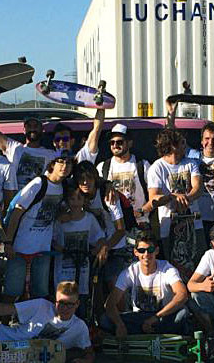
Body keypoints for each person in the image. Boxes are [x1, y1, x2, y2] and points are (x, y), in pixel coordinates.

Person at [2, 155, 72, 301]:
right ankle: (4, 322)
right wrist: (8, 242)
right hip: (19, 248)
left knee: (40, 294)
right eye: (60, 162)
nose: (64, 166)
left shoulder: (64, 187)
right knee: (12, 292)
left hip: (43, 249)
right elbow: (17, 212)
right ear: (52, 164)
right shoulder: (39, 183)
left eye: (68, 163)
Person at [101, 230, 191, 338]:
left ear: (157, 251)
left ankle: (140, 334)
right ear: (136, 252)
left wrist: (156, 317)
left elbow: (182, 295)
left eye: (150, 250)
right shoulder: (130, 272)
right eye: (142, 250)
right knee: (105, 320)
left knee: (183, 314)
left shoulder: (167, 268)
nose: (146, 254)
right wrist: (119, 325)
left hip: (162, 316)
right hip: (139, 317)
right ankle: (157, 334)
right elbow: (110, 304)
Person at [0, 106, 104, 190]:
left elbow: (96, 131)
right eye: (58, 140)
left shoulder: (79, 158)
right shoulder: (52, 157)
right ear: (53, 143)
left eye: (65, 139)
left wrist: (101, 105)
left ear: (72, 141)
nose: (61, 142)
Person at [146, 128, 204, 272]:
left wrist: (186, 198)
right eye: (181, 142)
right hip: (169, 227)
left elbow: (198, 188)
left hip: (193, 224)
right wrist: (172, 197)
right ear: (172, 146)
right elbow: (153, 198)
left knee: (197, 265)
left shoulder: (190, 163)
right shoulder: (157, 168)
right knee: (174, 267)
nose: (185, 146)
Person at [52, 183, 107, 322]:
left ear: (84, 201)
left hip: (83, 270)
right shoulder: (60, 221)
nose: (75, 202)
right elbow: (51, 239)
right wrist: (63, 250)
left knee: (81, 303)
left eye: (79, 198)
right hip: (64, 270)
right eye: (72, 199)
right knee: (63, 301)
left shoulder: (89, 218)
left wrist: (96, 249)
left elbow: (99, 237)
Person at [73, 161, 127, 293]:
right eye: (81, 179)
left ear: (95, 178)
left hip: (115, 248)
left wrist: (105, 247)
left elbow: (121, 229)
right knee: (94, 288)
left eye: (89, 178)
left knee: (114, 287)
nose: (85, 183)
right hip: (92, 248)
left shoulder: (107, 195)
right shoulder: (77, 196)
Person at [97, 123, 150, 226]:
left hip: (140, 223)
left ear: (130, 143)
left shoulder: (143, 165)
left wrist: (142, 211)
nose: (115, 145)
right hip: (113, 225)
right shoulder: (102, 167)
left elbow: (154, 193)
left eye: (119, 142)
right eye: (112, 142)